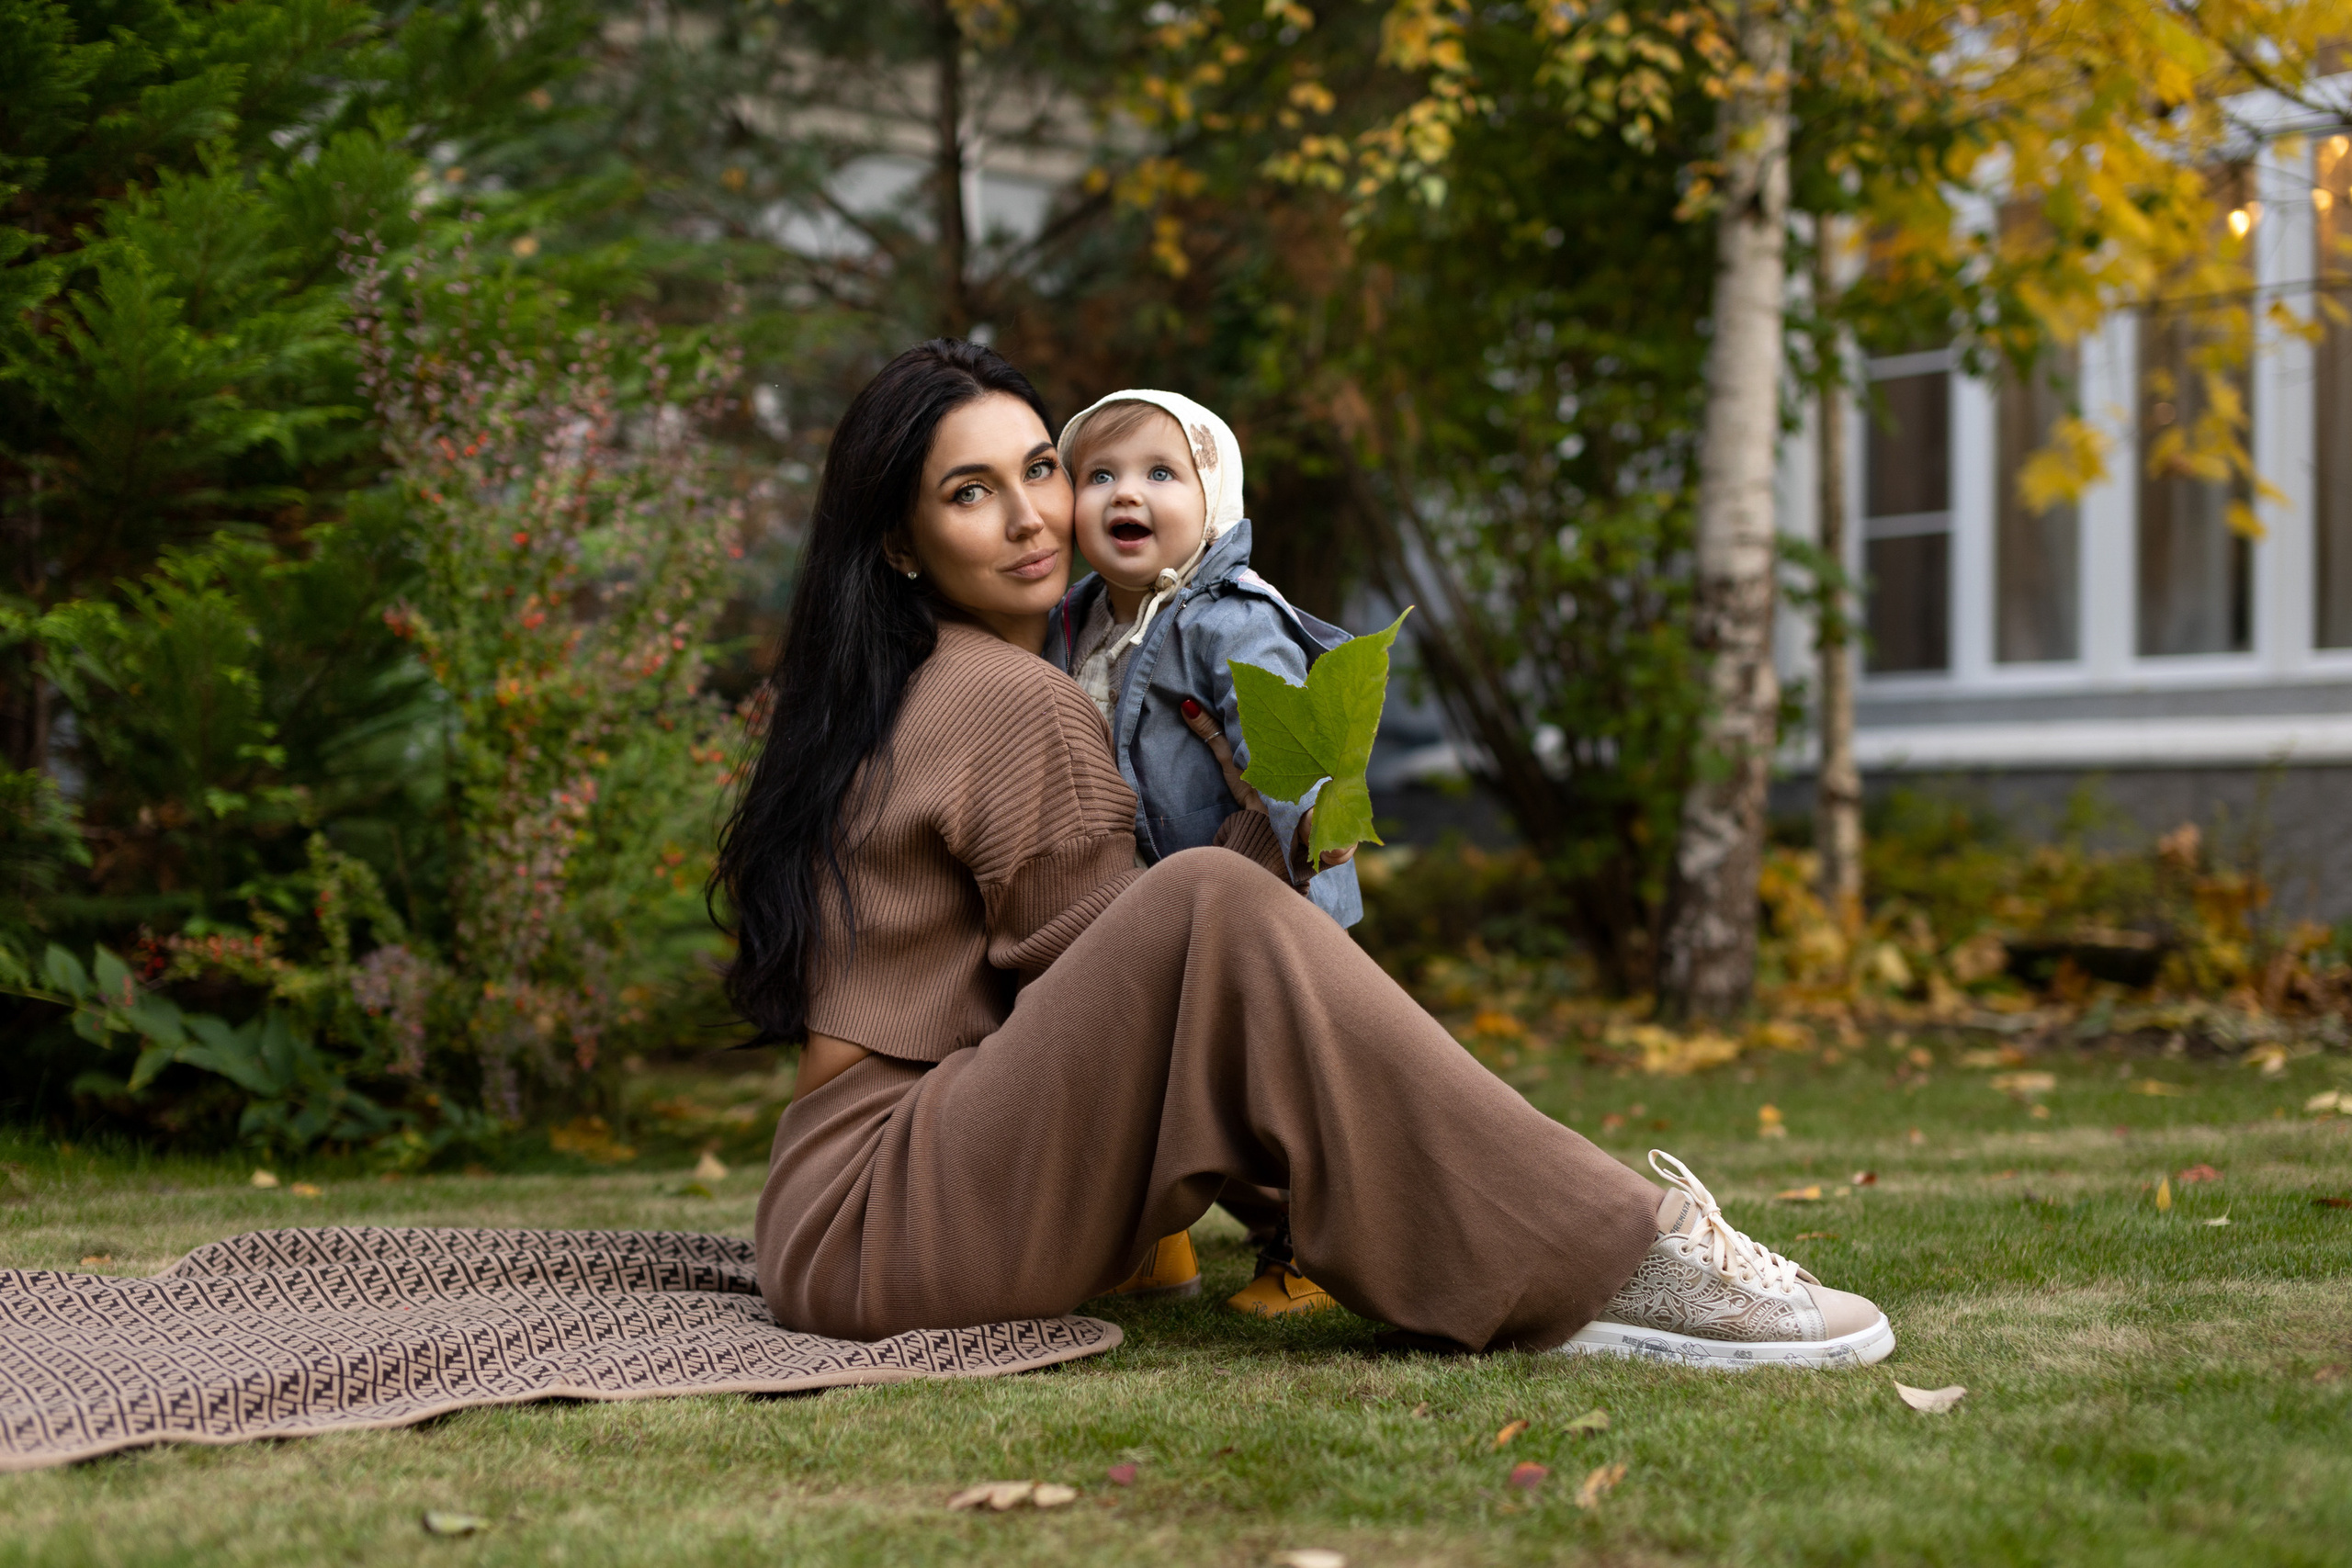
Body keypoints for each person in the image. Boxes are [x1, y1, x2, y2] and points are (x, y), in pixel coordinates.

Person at [716, 337, 1894, 1369]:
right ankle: (1609, 1256)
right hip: (891, 1223)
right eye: (970, 493)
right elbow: (1126, 995)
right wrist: (1265, 834)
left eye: (1039, 470)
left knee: (1207, 905)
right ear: (903, 544)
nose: (1031, 516)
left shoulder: (901, 689)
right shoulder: (1014, 702)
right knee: (1207, 905)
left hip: (829, 1217)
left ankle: (1563, 1237)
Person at [1046, 389, 1360, 1320]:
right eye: (1095, 476)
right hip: (1142, 901)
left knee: (1269, 1084)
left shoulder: (1224, 616)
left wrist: (1307, 824)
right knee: (1128, 1076)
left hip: (1256, 881)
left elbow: (1282, 731)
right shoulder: (1081, 620)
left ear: (1212, 496)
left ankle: (1311, 1253)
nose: (1122, 495)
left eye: (1156, 474)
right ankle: (1150, 1241)